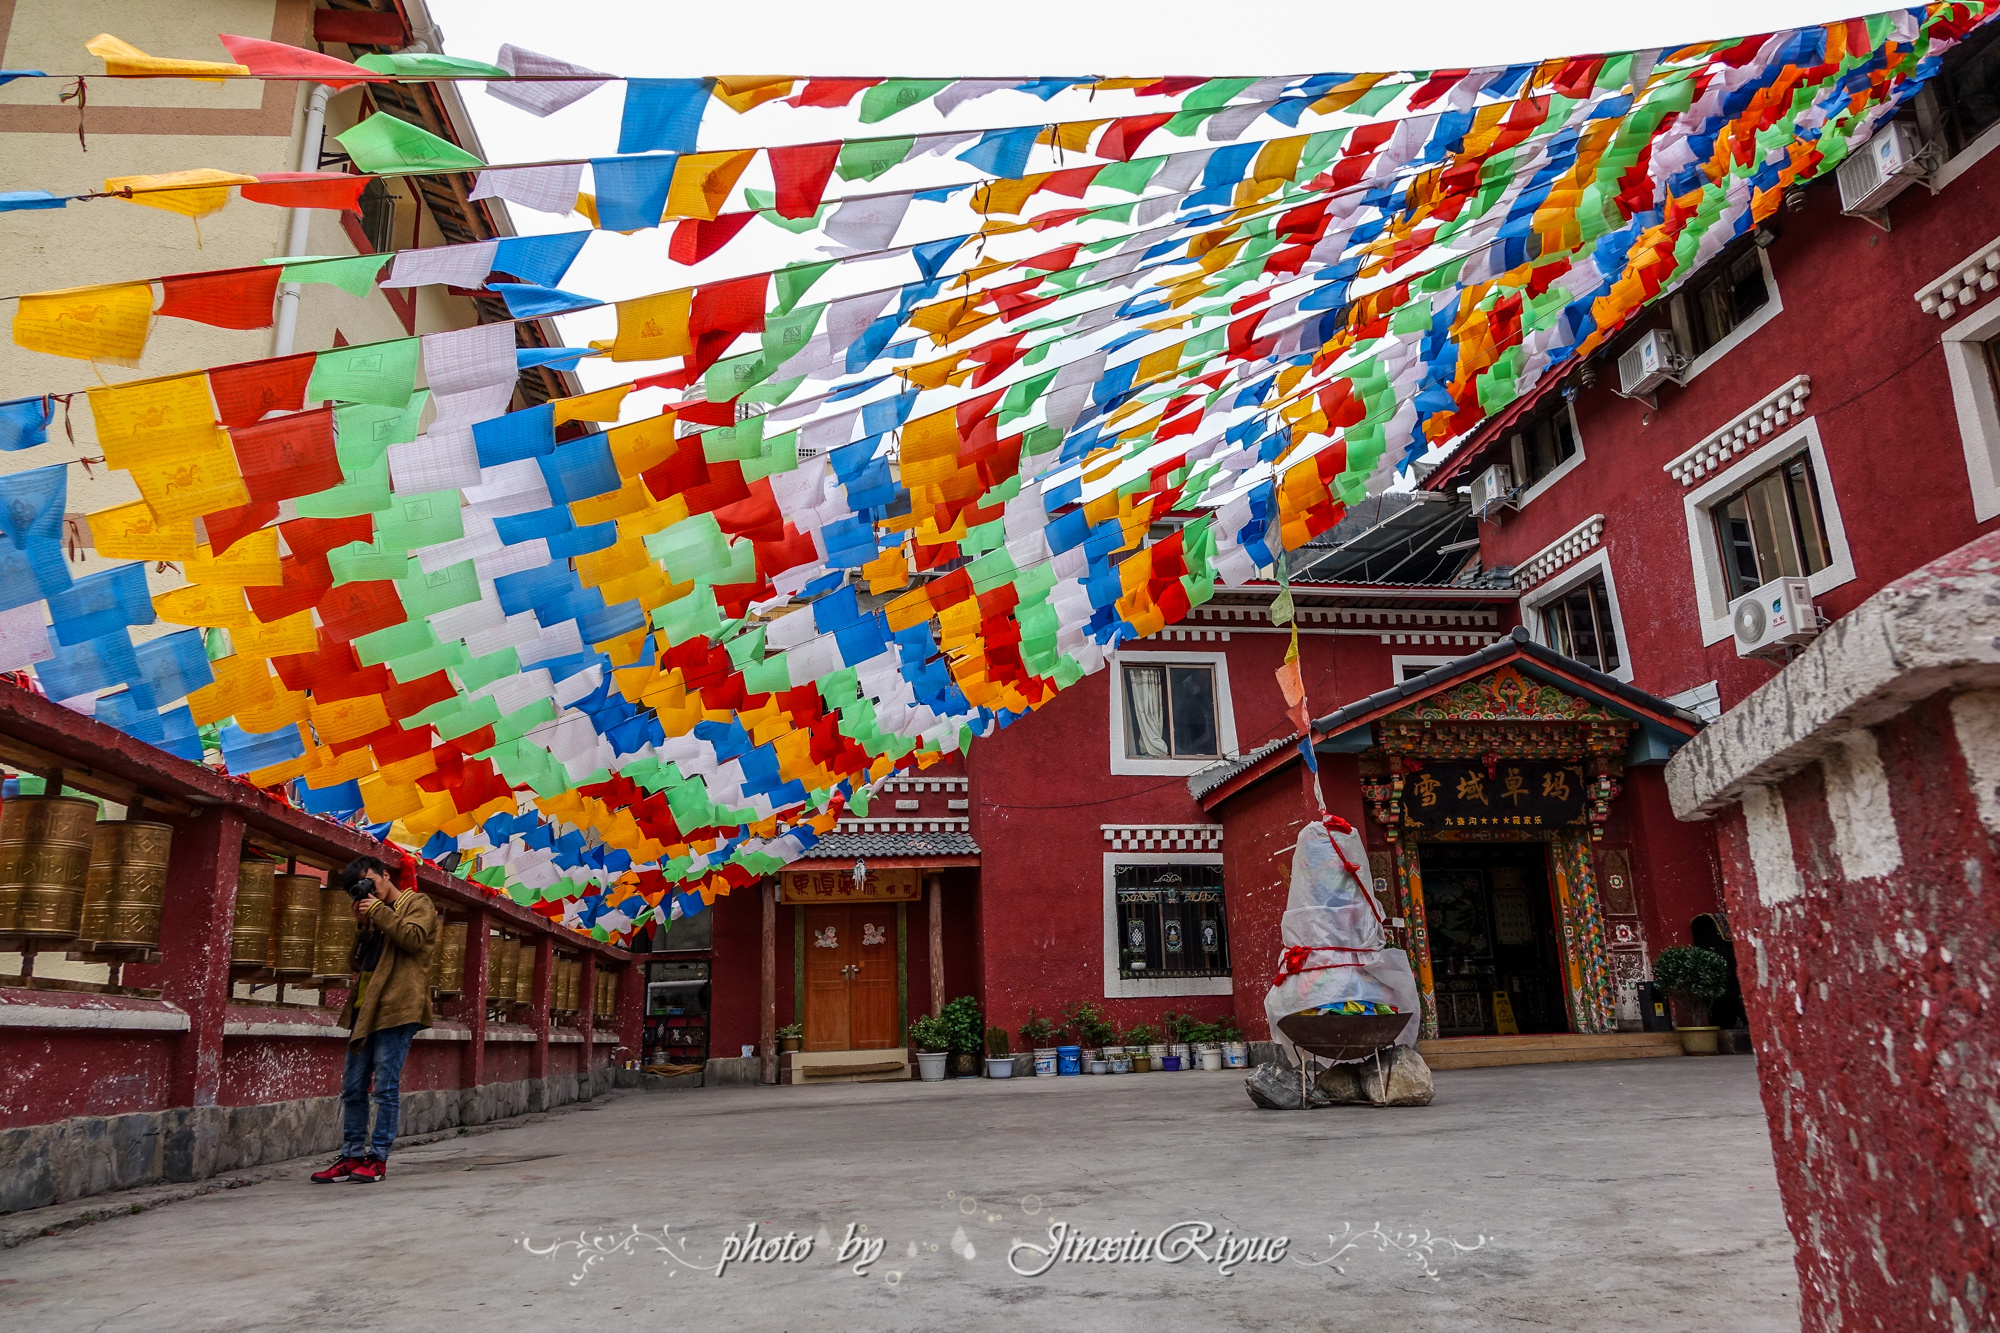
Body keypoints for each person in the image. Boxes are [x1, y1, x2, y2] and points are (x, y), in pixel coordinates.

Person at [311, 855, 438, 1184]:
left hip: (397, 1007)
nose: (368, 890)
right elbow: (357, 963)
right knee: (352, 1088)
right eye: (360, 887)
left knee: (384, 1088)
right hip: (364, 1008)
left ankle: (377, 1158)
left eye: (371, 881)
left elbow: (412, 939)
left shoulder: (418, 903)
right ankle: (351, 1156)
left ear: (385, 875)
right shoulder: (374, 916)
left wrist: (378, 912)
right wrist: (364, 925)